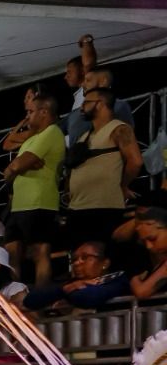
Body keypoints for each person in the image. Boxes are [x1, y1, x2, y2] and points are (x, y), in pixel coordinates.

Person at [66, 86, 143, 247]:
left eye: (87, 102)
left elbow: (135, 161)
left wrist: (123, 185)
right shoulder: (85, 136)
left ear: (100, 104)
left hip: (103, 209)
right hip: (77, 210)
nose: (82, 107)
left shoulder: (119, 129)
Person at [4, 93, 64, 285]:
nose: (27, 116)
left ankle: (40, 302)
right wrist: (16, 167)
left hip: (39, 203)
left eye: (30, 112)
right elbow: (10, 168)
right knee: (12, 254)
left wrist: (16, 167)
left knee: (40, 252)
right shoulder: (33, 138)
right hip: (20, 206)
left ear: (44, 112)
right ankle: (15, 298)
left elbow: (15, 167)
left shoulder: (52, 132)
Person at [25, 240, 133, 311]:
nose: (77, 263)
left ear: (105, 263)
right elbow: (29, 300)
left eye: (85, 258)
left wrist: (67, 293)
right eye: (75, 259)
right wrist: (64, 289)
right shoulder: (73, 283)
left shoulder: (117, 280)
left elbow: (87, 297)